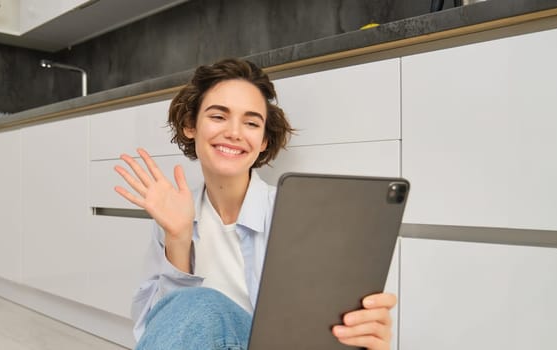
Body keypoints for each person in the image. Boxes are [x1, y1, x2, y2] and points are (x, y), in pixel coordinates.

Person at [114, 58, 397, 350]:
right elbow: (158, 329)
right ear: (190, 125)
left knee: (204, 304)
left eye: (251, 123)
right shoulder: (174, 213)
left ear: (263, 140)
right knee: (196, 306)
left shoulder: (295, 214)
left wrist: (368, 336)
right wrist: (177, 239)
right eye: (218, 116)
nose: (235, 132)